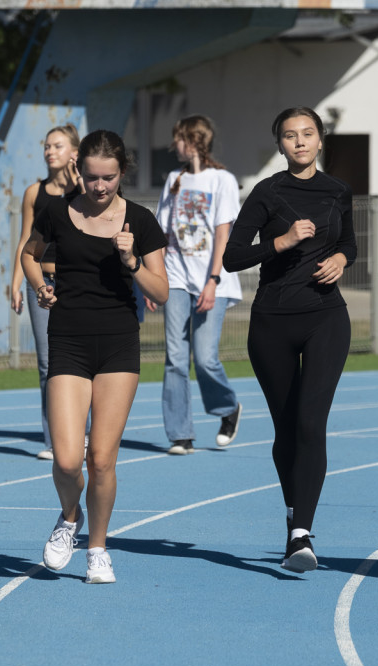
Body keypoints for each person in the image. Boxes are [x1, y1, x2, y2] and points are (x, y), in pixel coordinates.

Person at [21, 130, 168, 584]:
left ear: (121, 173)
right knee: (67, 460)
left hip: (118, 344)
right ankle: (70, 518)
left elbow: (161, 290)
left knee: (101, 458)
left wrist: (132, 264)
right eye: (90, 178)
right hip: (68, 339)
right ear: (78, 172)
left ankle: (99, 548)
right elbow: (29, 255)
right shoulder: (56, 210)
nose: (99, 187)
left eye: (107, 178)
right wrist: (41, 287)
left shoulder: (140, 221)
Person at [222, 106, 356, 574]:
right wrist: (279, 242)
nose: (299, 142)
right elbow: (232, 256)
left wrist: (341, 257)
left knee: (310, 423)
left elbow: (351, 243)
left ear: (321, 140)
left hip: (326, 318)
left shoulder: (339, 190)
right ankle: (292, 513)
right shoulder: (267, 192)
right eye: (289, 136)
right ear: (279, 145)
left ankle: (301, 533)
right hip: (273, 322)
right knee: (286, 429)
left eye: (307, 134)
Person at [151, 114, 243, 456]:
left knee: (204, 358)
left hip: (210, 279)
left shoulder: (222, 180)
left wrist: (213, 281)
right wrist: (155, 278)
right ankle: (180, 434)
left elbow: (223, 233)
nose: (173, 145)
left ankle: (227, 407)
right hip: (174, 276)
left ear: (192, 141)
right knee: (175, 357)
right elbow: (162, 233)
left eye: (177, 138)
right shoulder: (173, 178)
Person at [10, 124, 86, 460]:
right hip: (40, 281)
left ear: (74, 152)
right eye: (46, 146)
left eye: (57, 146)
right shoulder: (33, 193)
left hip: (79, 282)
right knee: (47, 364)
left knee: (82, 361)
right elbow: (26, 241)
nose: (49, 151)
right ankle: (54, 440)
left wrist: (80, 179)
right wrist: (16, 281)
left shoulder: (87, 189)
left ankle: (84, 434)